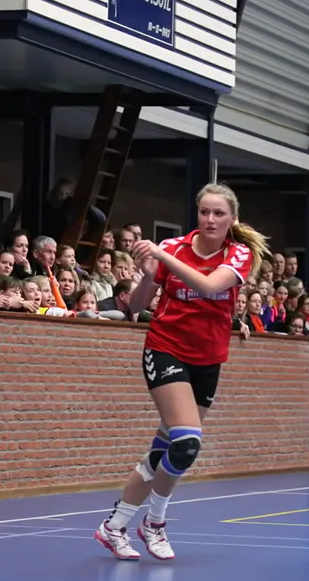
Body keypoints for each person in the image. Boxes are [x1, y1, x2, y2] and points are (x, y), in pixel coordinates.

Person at [93, 183, 269, 561]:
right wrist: (148, 275)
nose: (210, 219)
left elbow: (207, 286)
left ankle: (114, 526)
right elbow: (136, 307)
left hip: (208, 359)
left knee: (166, 450)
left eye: (219, 213)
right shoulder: (173, 248)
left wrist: (162, 257)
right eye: (205, 212)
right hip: (165, 348)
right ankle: (154, 523)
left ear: (232, 219)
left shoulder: (237, 254)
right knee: (187, 442)